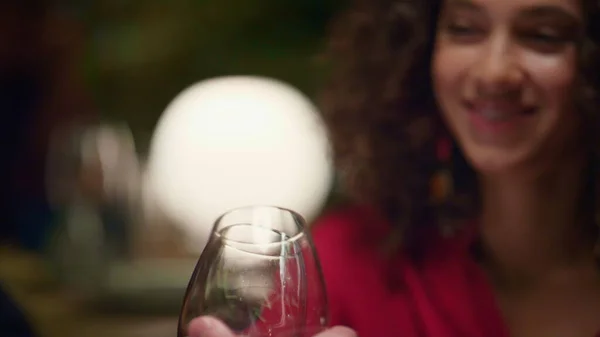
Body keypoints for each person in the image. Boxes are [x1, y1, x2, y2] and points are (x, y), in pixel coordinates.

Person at [191, 0, 600, 335]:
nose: (494, 72)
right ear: (422, 52)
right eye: (464, 29)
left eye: (543, 36)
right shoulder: (349, 263)